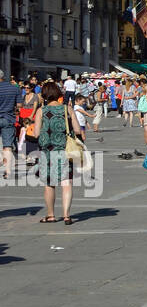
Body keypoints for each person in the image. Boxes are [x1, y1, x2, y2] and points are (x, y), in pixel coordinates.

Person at [35, 81, 82, 225]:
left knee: (50, 184)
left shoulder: (41, 111)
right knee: (66, 183)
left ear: (45, 95)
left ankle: (51, 215)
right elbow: (78, 130)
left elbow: (36, 133)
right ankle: (67, 215)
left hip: (47, 151)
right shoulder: (67, 109)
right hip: (65, 150)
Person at [0, 72, 21, 181]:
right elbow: (19, 105)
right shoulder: (14, 88)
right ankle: (8, 172)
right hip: (8, 118)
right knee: (7, 146)